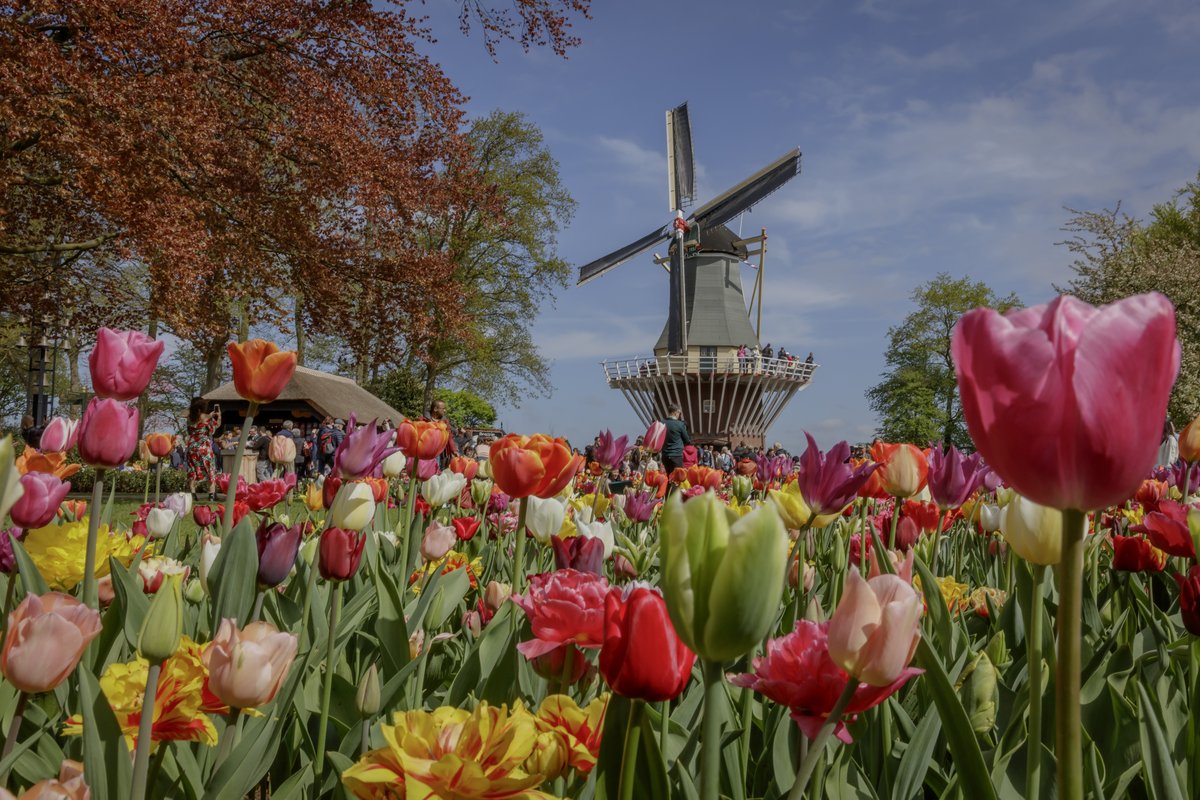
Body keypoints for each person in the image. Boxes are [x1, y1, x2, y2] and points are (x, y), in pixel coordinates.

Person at [186, 398, 221, 497]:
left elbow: (189, 432)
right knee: (210, 469)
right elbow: (213, 429)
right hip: (203, 446)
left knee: (192, 469)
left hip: (192, 446)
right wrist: (219, 416)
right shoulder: (206, 417)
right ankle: (211, 495)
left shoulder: (189, 418)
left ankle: (193, 494)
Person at [659, 404, 691, 476]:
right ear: (675, 412)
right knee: (677, 479)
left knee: (668, 477)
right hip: (676, 455)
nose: (679, 415)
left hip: (665, 455)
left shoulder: (661, 423)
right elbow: (687, 440)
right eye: (679, 413)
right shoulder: (680, 424)